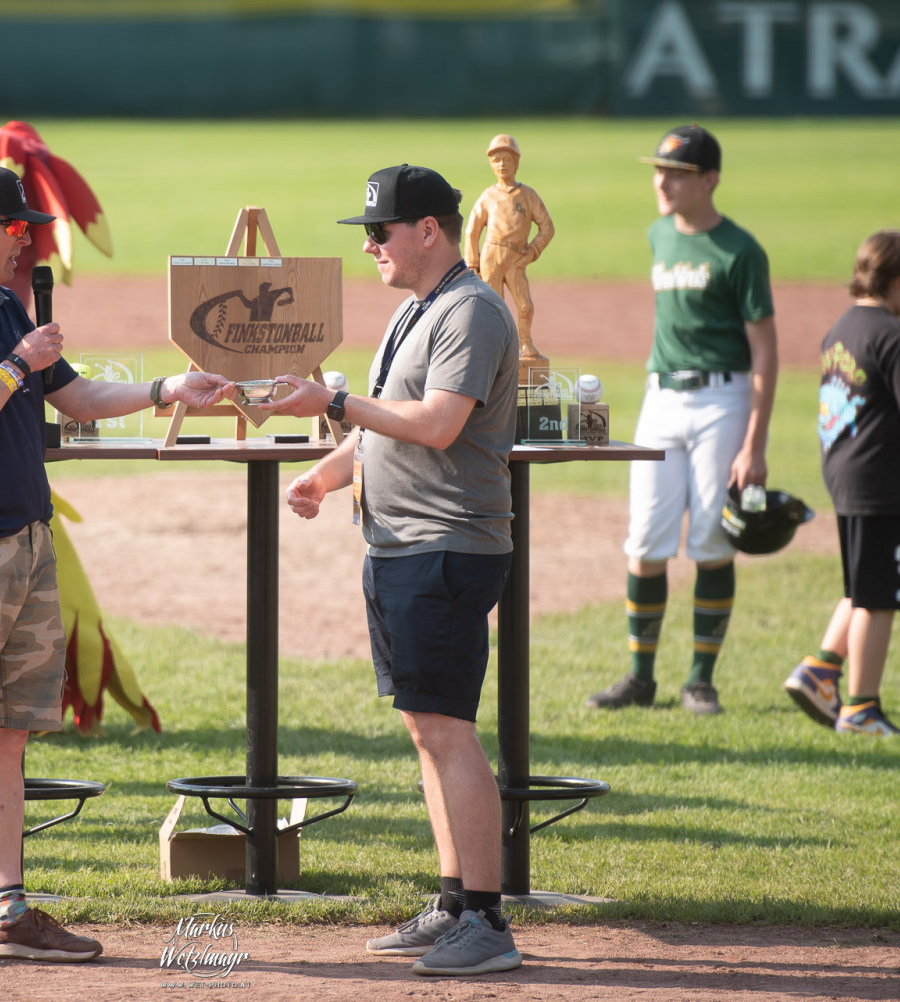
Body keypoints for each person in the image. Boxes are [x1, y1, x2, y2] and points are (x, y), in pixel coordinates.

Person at [0, 163, 232, 971]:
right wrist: (14, 365)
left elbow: (73, 400)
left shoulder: (7, 305)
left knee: (7, 740)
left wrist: (168, 386)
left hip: (25, 547)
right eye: (16, 227)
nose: (29, 239)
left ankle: (5, 911)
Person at [259, 164, 521, 977]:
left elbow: (437, 426)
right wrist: (329, 473)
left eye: (380, 231)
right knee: (426, 728)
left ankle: (486, 918)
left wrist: (333, 405)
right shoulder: (418, 309)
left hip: (447, 545)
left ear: (429, 231)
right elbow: (386, 426)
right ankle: (452, 903)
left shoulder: (472, 312)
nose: (370, 245)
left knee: (448, 730)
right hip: (401, 543)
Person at [586, 124, 777, 717]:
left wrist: (755, 443)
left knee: (712, 540)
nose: (662, 181)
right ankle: (640, 678)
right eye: (659, 170)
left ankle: (700, 680)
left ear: (710, 180)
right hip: (660, 399)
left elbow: (766, 349)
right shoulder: (658, 235)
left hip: (724, 399)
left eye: (677, 173)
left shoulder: (740, 250)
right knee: (645, 539)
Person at [784, 231, 900, 736]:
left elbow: (877, 392)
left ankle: (820, 670)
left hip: (847, 470)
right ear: (899, 280)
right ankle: (861, 708)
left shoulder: (841, 327)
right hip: (884, 480)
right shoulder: (899, 334)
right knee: (880, 597)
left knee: (864, 582)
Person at [462, 134, 554, 376]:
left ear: (517, 162)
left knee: (525, 306)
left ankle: (525, 344)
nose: (502, 164)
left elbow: (547, 227)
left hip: (517, 257)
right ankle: (494, 348)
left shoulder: (527, 195)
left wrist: (533, 250)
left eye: (507, 159)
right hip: (491, 254)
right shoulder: (488, 196)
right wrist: (472, 263)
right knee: (493, 306)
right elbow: (471, 231)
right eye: (496, 160)